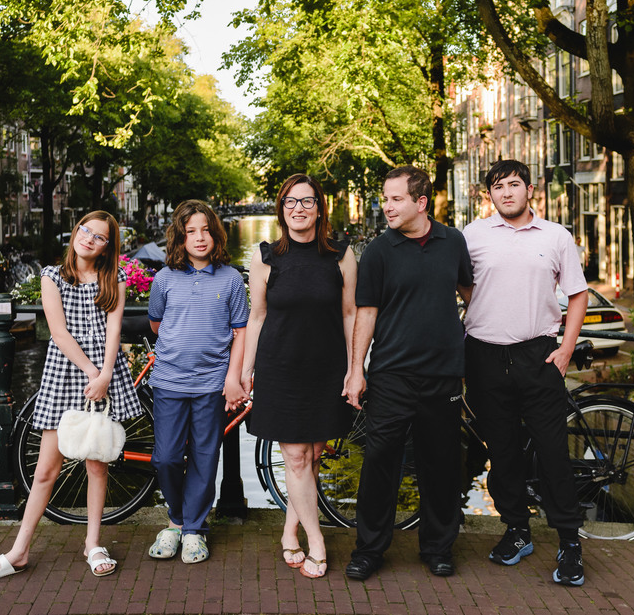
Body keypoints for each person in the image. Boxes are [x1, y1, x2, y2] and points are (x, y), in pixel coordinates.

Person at [0, 211, 142, 583]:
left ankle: (93, 543)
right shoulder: (52, 276)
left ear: (108, 247)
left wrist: (107, 373)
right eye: (85, 231)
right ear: (76, 232)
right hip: (67, 371)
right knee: (46, 469)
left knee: (97, 462)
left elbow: (114, 332)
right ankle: (19, 551)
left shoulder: (114, 279)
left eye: (99, 237)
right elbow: (59, 333)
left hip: (104, 371)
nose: (89, 239)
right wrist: (92, 373)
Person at [461, 159, 590, 586]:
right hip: (484, 357)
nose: (507, 193)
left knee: (554, 452)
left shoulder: (556, 236)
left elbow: (577, 294)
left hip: (538, 356)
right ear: (489, 195)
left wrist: (566, 348)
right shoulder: (473, 236)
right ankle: (517, 529)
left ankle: (570, 543)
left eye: (514, 185)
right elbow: (461, 287)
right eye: (498, 187)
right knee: (503, 452)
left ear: (530, 189)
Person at [342, 166, 473, 581]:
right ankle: (369, 549)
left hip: (443, 376)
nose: (387, 206)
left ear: (421, 202)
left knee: (441, 464)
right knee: (380, 462)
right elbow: (366, 312)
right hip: (392, 375)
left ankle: (437, 547)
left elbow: (473, 296)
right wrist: (355, 371)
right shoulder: (380, 250)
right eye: (384, 198)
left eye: (395, 199)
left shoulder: (453, 242)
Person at [242, 174, 357, 579]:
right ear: (281, 209)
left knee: (312, 455)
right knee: (294, 455)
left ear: (319, 209)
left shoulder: (341, 255)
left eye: (307, 202)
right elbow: (257, 317)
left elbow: (349, 315)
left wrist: (355, 368)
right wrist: (245, 371)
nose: (298, 209)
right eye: (291, 202)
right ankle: (318, 541)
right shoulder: (265, 257)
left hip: (327, 367)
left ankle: (290, 530)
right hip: (280, 367)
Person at [145, 200, 250, 564]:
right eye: (191, 231)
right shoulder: (163, 279)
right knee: (167, 458)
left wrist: (234, 378)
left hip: (211, 384)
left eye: (205, 229)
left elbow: (241, 333)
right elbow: (157, 325)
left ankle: (194, 530)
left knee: (206, 457)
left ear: (215, 233)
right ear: (180, 236)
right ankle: (177, 520)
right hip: (170, 381)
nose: (199, 237)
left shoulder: (232, 278)